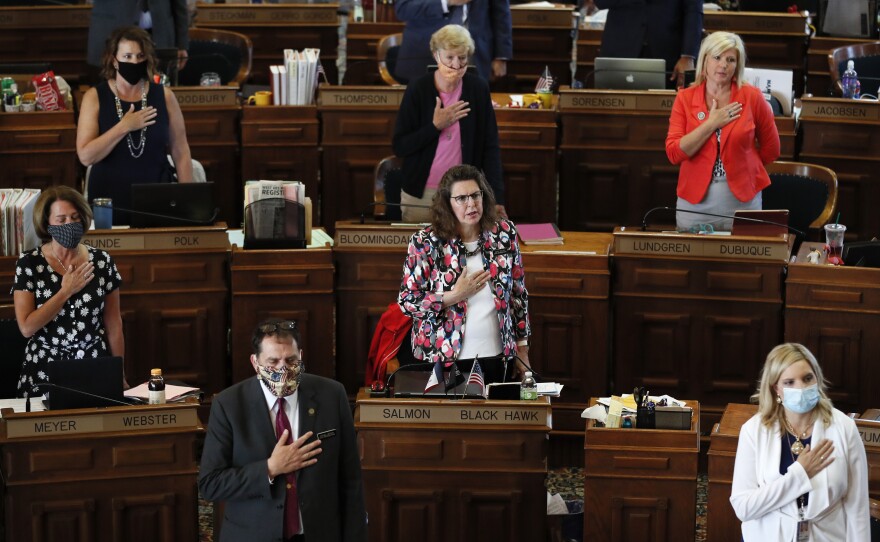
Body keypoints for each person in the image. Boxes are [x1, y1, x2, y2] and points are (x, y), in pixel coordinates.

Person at [199, 318, 368, 542]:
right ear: (255, 362)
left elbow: (351, 480)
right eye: (273, 362)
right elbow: (210, 484)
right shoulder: (228, 405)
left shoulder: (332, 395)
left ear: (301, 355)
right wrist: (270, 468)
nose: (283, 369)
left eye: (290, 360)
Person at [397, 164, 530, 382]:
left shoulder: (504, 234)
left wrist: (522, 350)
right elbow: (407, 301)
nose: (471, 204)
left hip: (496, 356)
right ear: (447, 204)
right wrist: (453, 296)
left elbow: (518, 295)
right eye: (461, 198)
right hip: (442, 359)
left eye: (475, 195)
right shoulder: (425, 243)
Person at [730, 343, 870, 541]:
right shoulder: (753, 430)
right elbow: (743, 508)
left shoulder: (844, 427)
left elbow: (857, 505)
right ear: (776, 388)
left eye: (807, 378)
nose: (801, 388)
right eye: (789, 382)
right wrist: (799, 475)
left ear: (817, 379)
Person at [12, 186, 125, 397]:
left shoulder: (102, 261)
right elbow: (27, 327)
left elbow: (113, 323)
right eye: (61, 220)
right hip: (45, 367)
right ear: (47, 224)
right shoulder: (29, 263)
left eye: (75, 218)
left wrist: (119, 372)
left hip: (93, 363)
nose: (70, 225)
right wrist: (65, 291)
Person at [665, 31, 780, 232]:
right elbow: (674, 153)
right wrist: (712, 123)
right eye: (717, 57)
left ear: (738, 65)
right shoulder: (685, 98)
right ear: (705, 60)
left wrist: (745, 169)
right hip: (695, 202)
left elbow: (771, 149)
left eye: (730, 59)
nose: (723, 65)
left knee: (745, 262)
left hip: (742, 201)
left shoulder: (752, 97)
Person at [77, 26, 193, 225]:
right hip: (109, 202)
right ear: (114, 60)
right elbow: (86, 155)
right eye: (128, 56)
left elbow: (180, 151)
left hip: (157, 199)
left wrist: (188, 201)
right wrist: (124, 126)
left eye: (140, 56)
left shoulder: (164, 96)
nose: (135, 62)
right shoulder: (95, 97)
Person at [391, 25, 505, 223]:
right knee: (422, 252)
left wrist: (496, 198)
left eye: (462, 58)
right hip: (422, 193)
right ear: (436, 56)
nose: (456, 64)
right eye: (449, 57)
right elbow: (400, 146)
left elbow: (490, 147)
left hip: (465, 194)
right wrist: (435, 126)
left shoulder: (478, 89)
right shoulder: (418, 89)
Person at [591, 0, 702, 89]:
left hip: (667, 54)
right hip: (619, 49)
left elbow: (694, 10)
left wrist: (688, 56)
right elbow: (601, 2)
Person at [394, 0, 512, 84]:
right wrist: (446, 2)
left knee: (472, 110)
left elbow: (501, 14)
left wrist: (501, 56)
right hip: (424, 52)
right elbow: (402, 8)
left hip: (476, 53)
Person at [87, 0, 190, 71]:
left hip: (160, 36)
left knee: (160, 94)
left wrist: (181, 44)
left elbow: (179, 5)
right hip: (114, 30)